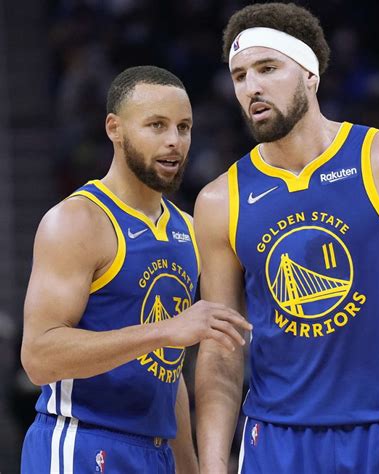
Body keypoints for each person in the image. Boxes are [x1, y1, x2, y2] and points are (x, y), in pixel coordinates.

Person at [194, 3, 379, 474]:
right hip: (275, 443)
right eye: (240, 76)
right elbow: (222, 350)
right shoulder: (221, 200)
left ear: (310, 74)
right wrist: (214, 466)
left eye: (267, 68)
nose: (251, 87)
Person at [20, 65, 251, 474]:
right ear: (115, 128)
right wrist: (164, 331)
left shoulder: (188, 230)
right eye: (156, 125)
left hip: (155, 453)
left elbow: (165, 372)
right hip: (81, 442)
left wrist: (189, 467)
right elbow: (38, 357)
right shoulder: (77, 221)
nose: (174, 141)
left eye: (183, 127)